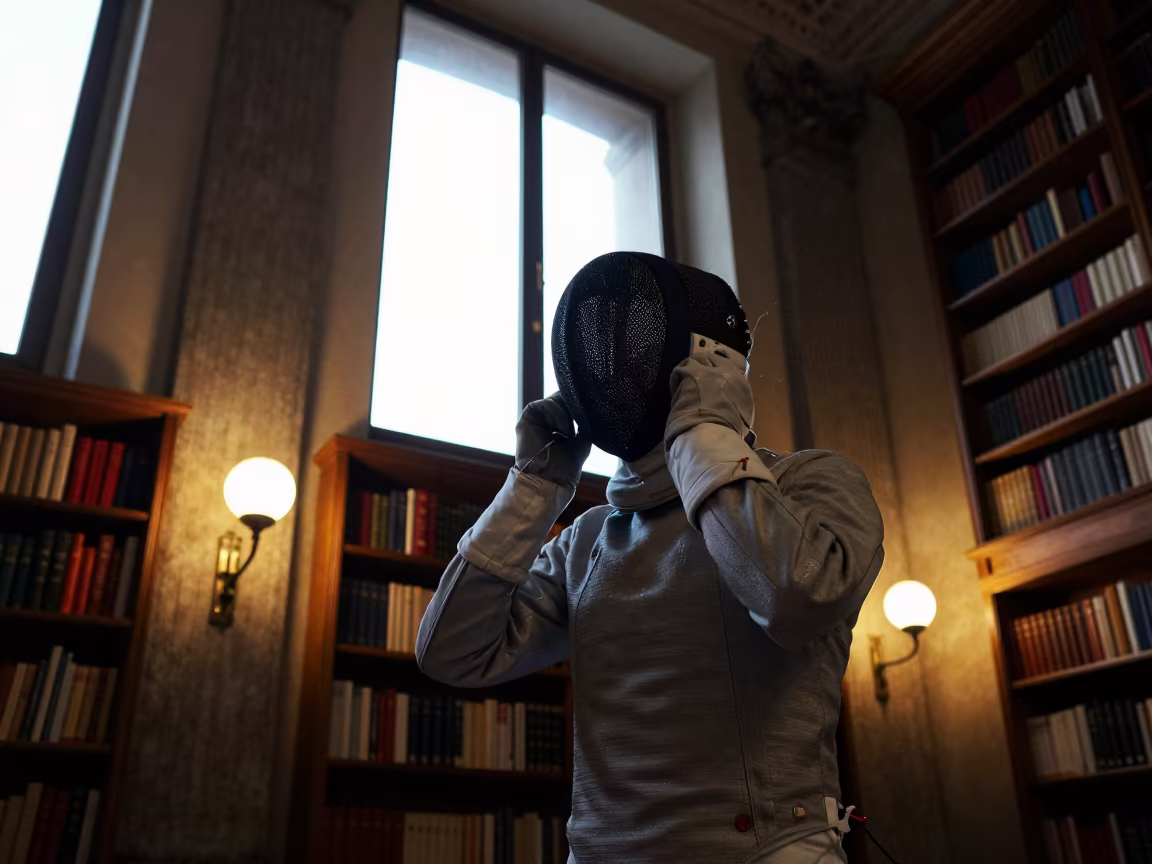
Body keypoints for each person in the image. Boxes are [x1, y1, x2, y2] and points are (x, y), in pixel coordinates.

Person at [416, 253, 885, 863]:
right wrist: (531, 492)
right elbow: (452, 653)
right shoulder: (588, 541)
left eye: (634, 343)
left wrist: (704, 434)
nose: (611, 368)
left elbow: (794, 599)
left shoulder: (810, 483)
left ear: (708, 364)